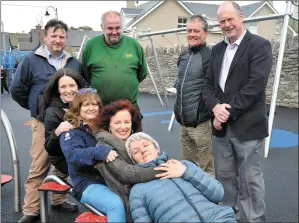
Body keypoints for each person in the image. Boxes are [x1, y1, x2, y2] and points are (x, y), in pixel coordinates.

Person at [10, 19, 86, 223]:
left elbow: (82, 88)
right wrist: (36, 108)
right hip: (43, 122)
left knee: (63, 162)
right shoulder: (31, 60)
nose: (58, 40)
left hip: (70, 120)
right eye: (54, 35)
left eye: (62, 36)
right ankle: (31, 209)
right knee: (39, 164)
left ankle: (58, 198)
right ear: (45, 37)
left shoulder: (74, 63)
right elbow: (17, 89)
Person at [202, 2, 272, 222]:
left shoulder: (259, 46)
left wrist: (226, 112)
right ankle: (227, 217)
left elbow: (255, 86)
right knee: (224, 178)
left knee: (249, 180)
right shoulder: (217, 50)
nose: (226, 24)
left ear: (241, 17)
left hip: (247, 126)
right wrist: (215, 107)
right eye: (222, 21)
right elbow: (207, 85)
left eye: (230, 19)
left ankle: (253, 220)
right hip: (221, 129)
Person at [125, 132, 237, 223]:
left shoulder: (183, 165)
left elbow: (218, 193)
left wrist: (185, 172)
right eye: (136, 151)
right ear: (134, 161)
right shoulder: (138, 190)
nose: (143, 150)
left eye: (145, 145)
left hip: (220, 218)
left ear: (156, 148)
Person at [59, 91, 126, 223]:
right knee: (116, 204)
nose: (92, 108)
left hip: (110, 177)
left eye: (95, 104)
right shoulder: (71, 132)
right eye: (86, 105)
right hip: (87, 182)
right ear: (77, 108)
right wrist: (99, 152)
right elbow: (73, 155)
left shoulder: (104, 127)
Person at [94, 100, 160, 222]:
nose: (123, 127)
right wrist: (164, 170)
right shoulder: (104, 147)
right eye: (117, 123)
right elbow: (127, 174)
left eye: (127, 122)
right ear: (109, 125)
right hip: (129, 198)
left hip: (148, 189)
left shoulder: (134, 141)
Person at [81, 10, 148, 127]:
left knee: (134, 143)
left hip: (130, 108)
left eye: (118, 28)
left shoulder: (134, 45)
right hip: (101, 109)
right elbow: (85, 75)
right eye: (110, 28)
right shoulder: (90, 46)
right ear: (102, 27)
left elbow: (141, 74)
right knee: (102, 142)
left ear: (122, 27)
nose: (114, 32)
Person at [173, 15, 214, 177]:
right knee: (186, 166)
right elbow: (181, 83)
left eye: (196, 31)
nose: (192, 34)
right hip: (184, 122)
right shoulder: (184, 55)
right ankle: (191, 199)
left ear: (205, 33)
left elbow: (214, 89)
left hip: (201, 124)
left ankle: (210, 201)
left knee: (207, 168)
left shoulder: (209, 57)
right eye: (189, 30)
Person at [38, 68, 86, 174]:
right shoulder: (52, 112)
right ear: (58, 90)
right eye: (63, 87)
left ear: (78, 86)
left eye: (72, 85)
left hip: (84, 151)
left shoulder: (86, 105)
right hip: (63, 157)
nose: (68, 90)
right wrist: (56, 133)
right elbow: (50, 149)